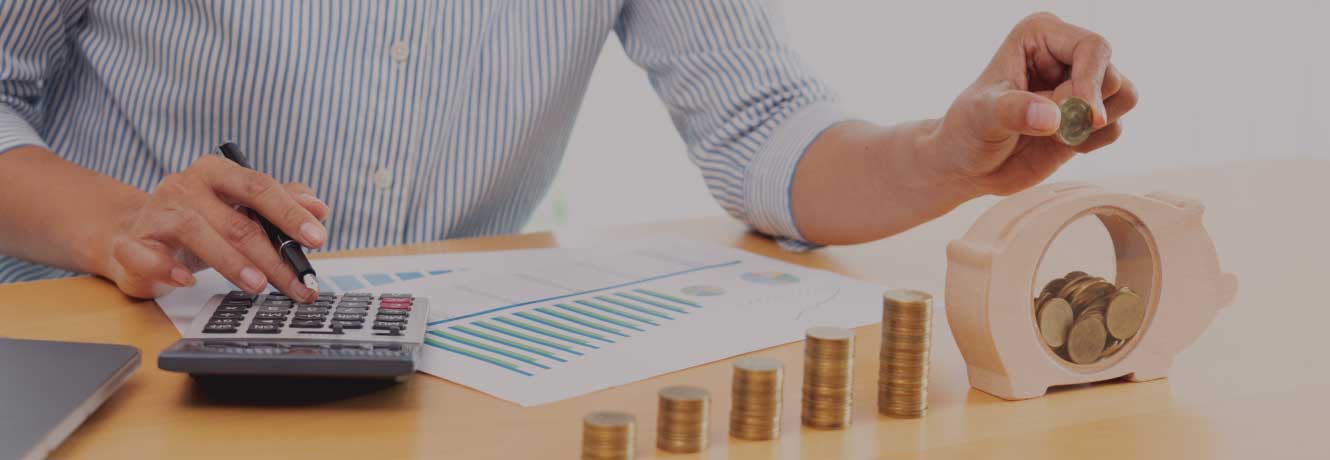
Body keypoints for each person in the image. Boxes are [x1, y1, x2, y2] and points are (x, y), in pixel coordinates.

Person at [0, 2, 1136, 304]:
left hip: (426, 377)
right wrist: (113, 222)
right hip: (112, 347)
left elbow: (759, 128)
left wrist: (947, 152)